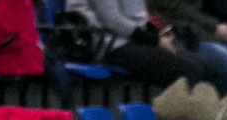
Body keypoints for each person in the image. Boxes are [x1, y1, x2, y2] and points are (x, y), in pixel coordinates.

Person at [64, 0, 213, 88]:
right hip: (108, 45)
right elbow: (113, 21)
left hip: (131, 40)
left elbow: (138, 19)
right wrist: (156, 41)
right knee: (189, 70)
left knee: (202, 65)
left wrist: (159, 33)